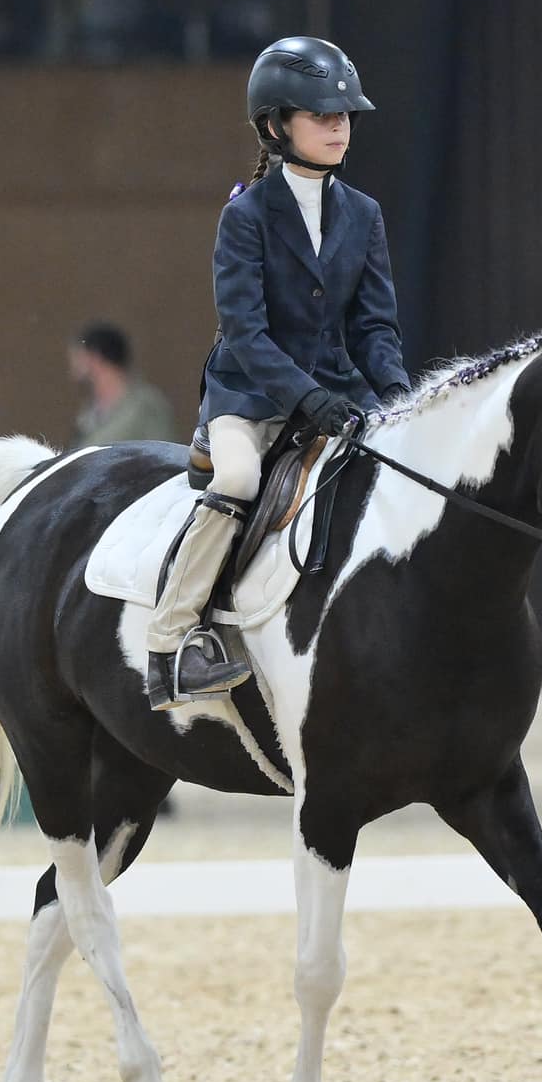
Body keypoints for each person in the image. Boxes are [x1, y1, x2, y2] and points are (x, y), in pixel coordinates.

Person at [146, 36, 414, 709]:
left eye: (344, 116)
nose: (338, 127)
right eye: (321, 116)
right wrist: (307, 397)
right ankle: (170, 641)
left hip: (339, 392)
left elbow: (374, 328)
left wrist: (399, 396)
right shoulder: (244, 216)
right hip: (251, 394)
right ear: (275, 127)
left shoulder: (365, 214)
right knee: (238, 478)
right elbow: (245, 332)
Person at [68, 322, 182, 447]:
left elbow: (163, 452)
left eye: (79, 355)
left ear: (96, 357)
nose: (74, 362)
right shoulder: (88, 413)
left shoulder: (146, 407)